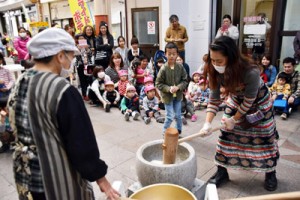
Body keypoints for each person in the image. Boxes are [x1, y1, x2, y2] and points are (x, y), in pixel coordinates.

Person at [7, 28, 119, 199]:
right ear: (60, 56)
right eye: (71, 57)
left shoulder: (21, 81)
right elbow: (81, 144)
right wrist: (102, 180)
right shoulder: (63, 90)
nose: (70, 64)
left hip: (27, 179)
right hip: (56, 182)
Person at [199, 36, 279, 191]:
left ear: (231, 57)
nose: (215, 64)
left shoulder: (250, 71)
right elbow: (214, 100)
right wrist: (207, 123)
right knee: (225, 134)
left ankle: (270, 172)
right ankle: (222, 171)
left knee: (264, 138)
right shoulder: (213, 69)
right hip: (236, 100)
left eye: (219, 61)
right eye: (212, 60)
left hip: (259, 104)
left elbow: (249, 100)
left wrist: (234, 119)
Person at [156, 42, 188, 135]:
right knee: (169, 116)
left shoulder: (180, 67)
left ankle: (178, 130)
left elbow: (185, 80)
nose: (171, 56)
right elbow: (158, 83)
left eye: (174, 54)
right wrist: (169, 88)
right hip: (167, 96)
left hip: (177, 96)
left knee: (178, 115)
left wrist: (178, 87)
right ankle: (164, 132)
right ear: (165, 54)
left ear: (177, 54)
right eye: (169, 54)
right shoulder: (163, 69)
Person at [0, 53, 14, 153]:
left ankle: (10, 140)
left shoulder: (6, 70)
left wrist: (7, 87)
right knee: (2, 119)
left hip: (6, 97)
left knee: (8, 118)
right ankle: (5, 142)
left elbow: (12, 81)